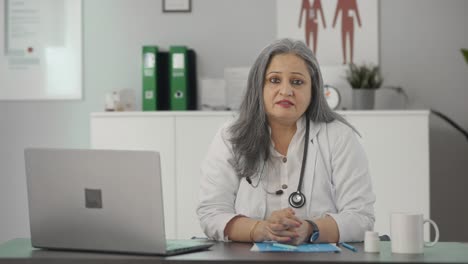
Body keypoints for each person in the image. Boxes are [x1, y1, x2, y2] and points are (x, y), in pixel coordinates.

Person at [197, 38, 375, 245]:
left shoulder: (338, 136)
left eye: (297, 82)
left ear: (313, 90)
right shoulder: (230, 137)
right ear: (259, 86)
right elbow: (212, 212)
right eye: (274, 80)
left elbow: (361, 217)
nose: (286, 91)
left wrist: (309, 229)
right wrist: (261, 229)